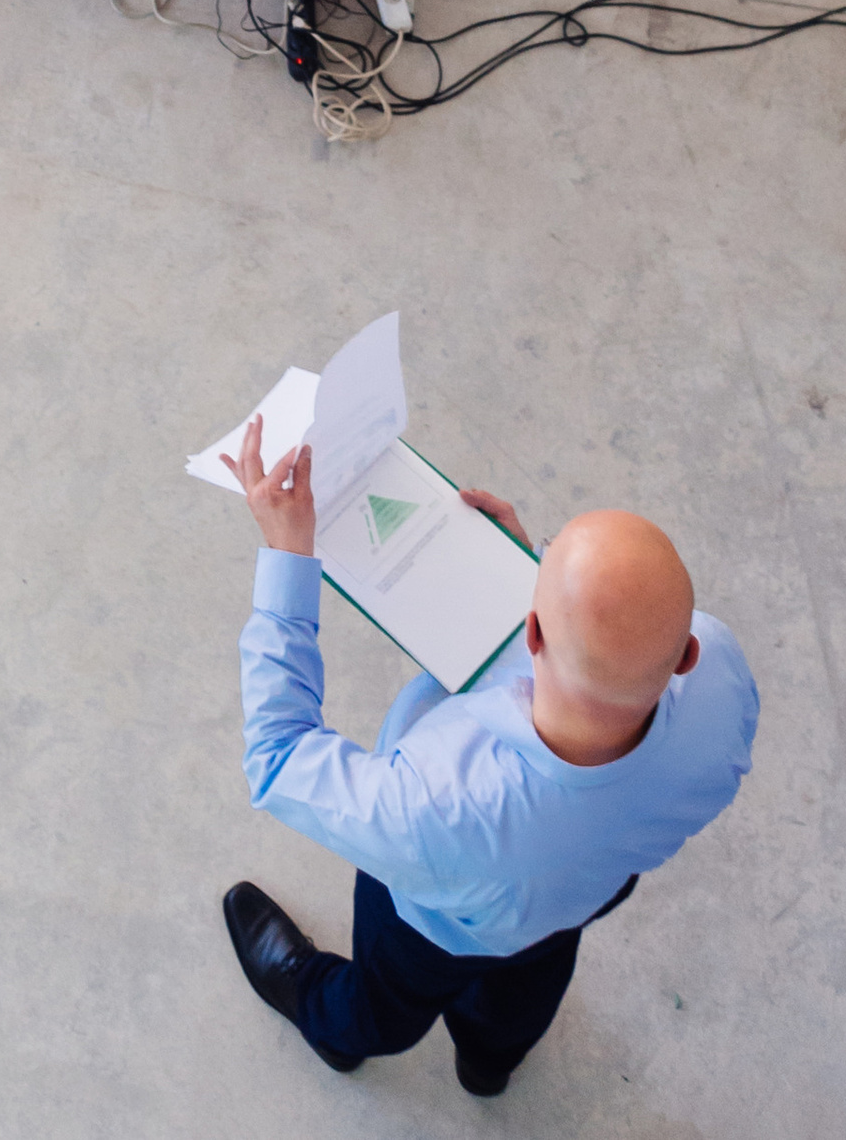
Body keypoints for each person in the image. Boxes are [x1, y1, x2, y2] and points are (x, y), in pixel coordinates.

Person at [223, 423, 756, 1095]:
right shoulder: (722, 680)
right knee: (525, 993)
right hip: (583, 893)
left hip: (436, 927)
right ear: (685, 655)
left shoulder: (436, 801)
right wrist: (535, 575)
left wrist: (288, 558)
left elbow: (276, 758)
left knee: (383, 1005)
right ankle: (487, 1064)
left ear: (531, 629)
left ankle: (333, 1028)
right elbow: (621, 651)